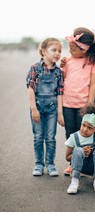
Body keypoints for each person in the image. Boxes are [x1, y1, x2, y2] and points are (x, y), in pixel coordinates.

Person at [62, 27, 95, 175]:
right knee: (71, 135)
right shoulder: (68, 61)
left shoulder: (93, 62)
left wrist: (90, 103)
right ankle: (72, 164)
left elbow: (93, 83)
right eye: (69, 48)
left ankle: (85, 164)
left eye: (73, 49)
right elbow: (64, 80)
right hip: (67, 104)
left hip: (83, 105)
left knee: (83, 134)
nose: (70, 51)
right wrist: (62, 65)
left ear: (84, 49)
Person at [26, 38, 64, 176]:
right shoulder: (35, 68)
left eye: (59, 51)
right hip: (38, 106)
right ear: (43, 51)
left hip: (52, 108)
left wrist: (60, 113)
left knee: (50, 137)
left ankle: (51, 164)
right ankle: (39, 164)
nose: (57, 53)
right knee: (38, 137)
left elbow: (60, 93)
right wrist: (34, 109)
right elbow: (30, 89)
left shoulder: (58, 72)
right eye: (54, 50)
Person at [65, 103, 95, 194]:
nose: (85, 129)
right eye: (83, 125)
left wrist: (92, 152)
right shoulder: (74, 137)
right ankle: (74, 181)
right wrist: (81, 152)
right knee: (77, 149)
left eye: (89, 128)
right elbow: (67, 157)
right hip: (80, 167)